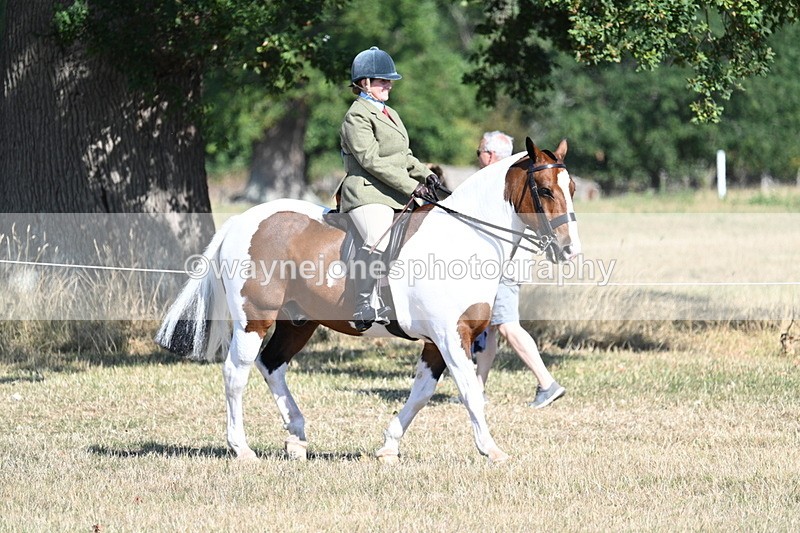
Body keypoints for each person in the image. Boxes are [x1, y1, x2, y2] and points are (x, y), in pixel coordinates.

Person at [339, 46, 440, 332]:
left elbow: (404, 156)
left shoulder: (390, 113)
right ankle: (363, 303)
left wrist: (427, 175)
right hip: (367, 191)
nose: (389, 85)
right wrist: (411, 187)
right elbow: (370, 160)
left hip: (394, 191)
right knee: (378, 236)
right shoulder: (356, 116)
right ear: (364, 83)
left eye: (389, 80)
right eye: (382, 80)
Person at [474, 131, 566, 408]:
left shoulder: (500, 184)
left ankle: (547, 383)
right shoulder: (512, 181)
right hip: (509, 262)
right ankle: (477, 390)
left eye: (479, 152)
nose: (478, 157)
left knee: (507, 325)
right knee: (491, 328)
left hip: (505, 265)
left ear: (489, 156)